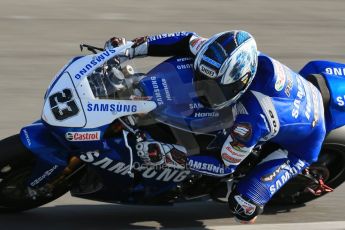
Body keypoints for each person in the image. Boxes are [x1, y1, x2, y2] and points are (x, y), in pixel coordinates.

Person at [104, 31, 327, 223]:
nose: (202, 85)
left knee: (243, 206)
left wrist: (171, 156)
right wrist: (129, 49)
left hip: (301, 144)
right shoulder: (219, 55)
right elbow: (186, 39)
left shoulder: (253, 118)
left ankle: (245, 190)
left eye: (214, 86)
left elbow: (224, 166)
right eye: (202, 77)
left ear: (241, 81)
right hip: (283, 100)